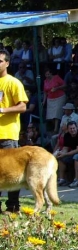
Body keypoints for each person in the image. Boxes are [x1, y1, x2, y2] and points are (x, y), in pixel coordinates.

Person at [0, 49, 28, 213]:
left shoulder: (14, 82)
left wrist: (3, 110)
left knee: (11, 172)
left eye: (0, 61)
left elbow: (23, 106)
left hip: (8, 135)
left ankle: (13, 206)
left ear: (8, 63)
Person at [56, 121, 78, 186]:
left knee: (77, 157)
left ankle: (76, 180)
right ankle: (61, 179)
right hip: (77, 153)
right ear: (68, 129)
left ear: (76, 128)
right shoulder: (67, 135)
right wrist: (61, 153)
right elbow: (65, 148)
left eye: (74, 128)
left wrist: (65, 154)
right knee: (61, 158)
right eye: (70, 128)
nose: (72, 130)